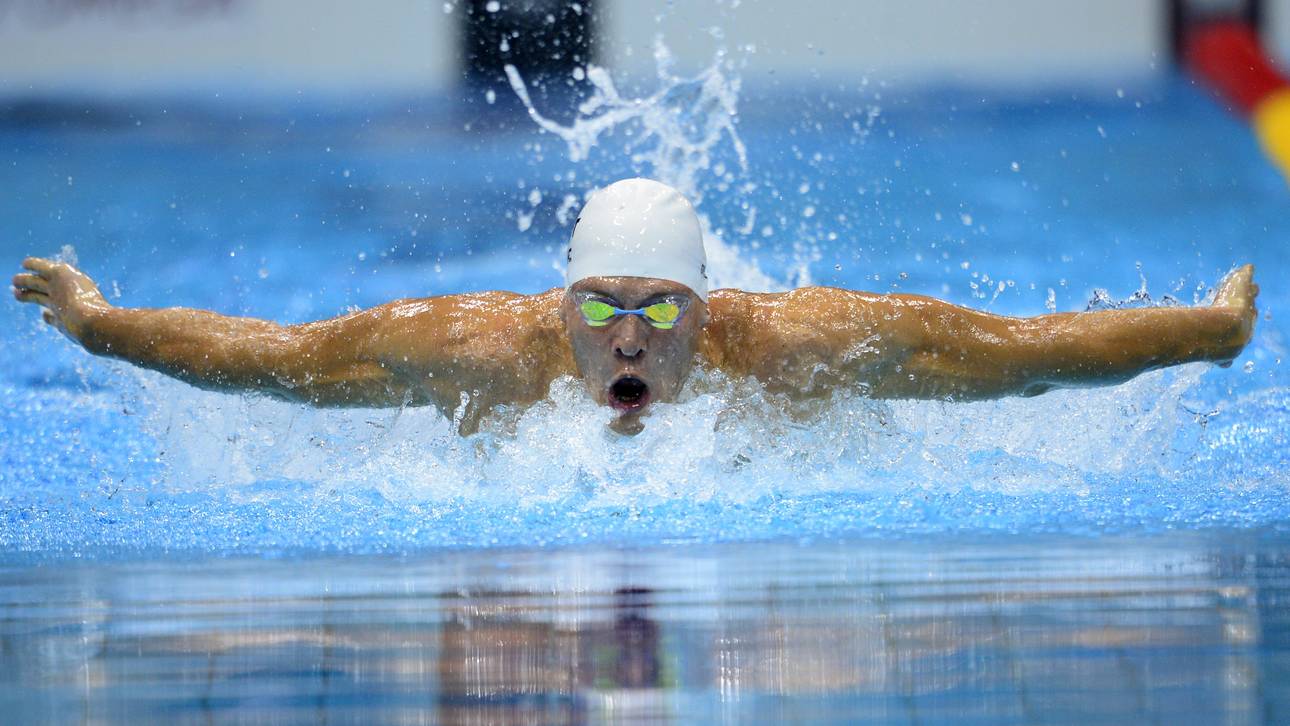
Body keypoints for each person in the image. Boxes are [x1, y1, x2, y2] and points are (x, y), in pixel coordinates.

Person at [12, 178, 1259, 435]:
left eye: (661, 313)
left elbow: (1017, 359)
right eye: (600, 307)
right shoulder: (482, 354)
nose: (625, 337)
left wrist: (1209, 336)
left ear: (710, 314)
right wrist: (102, 326)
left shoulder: (800, 350)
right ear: (558, 309)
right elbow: (277, 360)